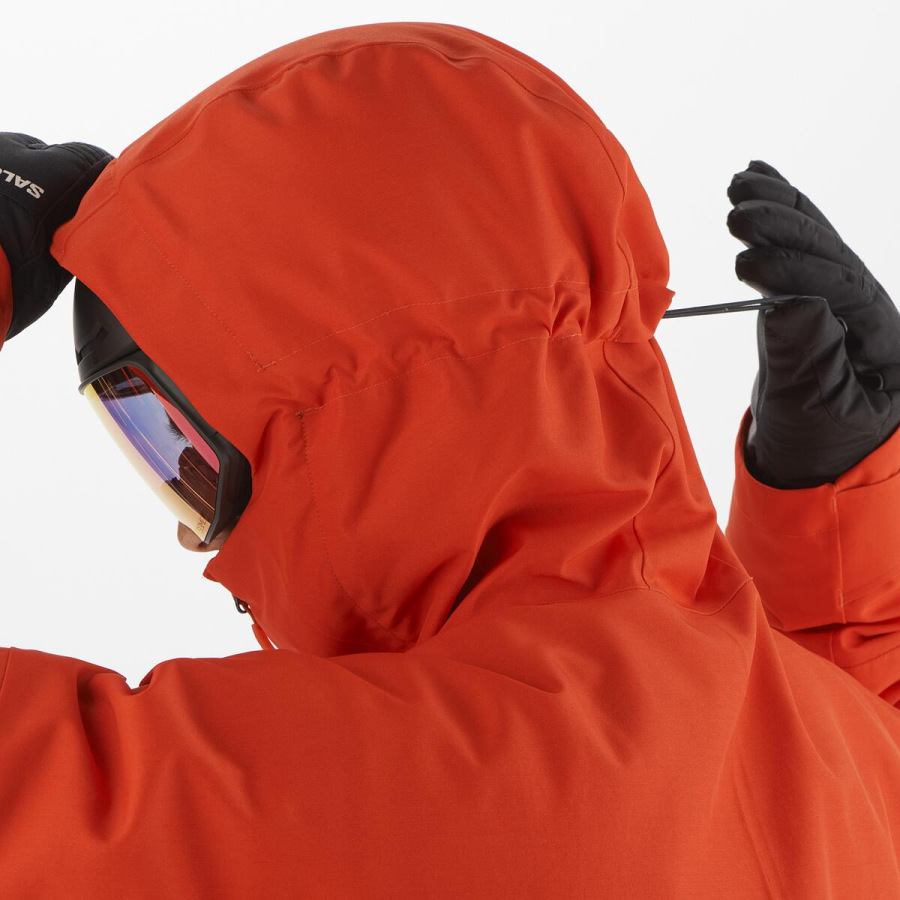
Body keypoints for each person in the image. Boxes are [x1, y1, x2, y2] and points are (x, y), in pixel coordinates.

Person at [0, 21, 898, 899]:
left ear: (334, 409)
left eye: (181, 447)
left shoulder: (355, 793)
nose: (195, 538)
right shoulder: (857, 766)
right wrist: (841, 533)